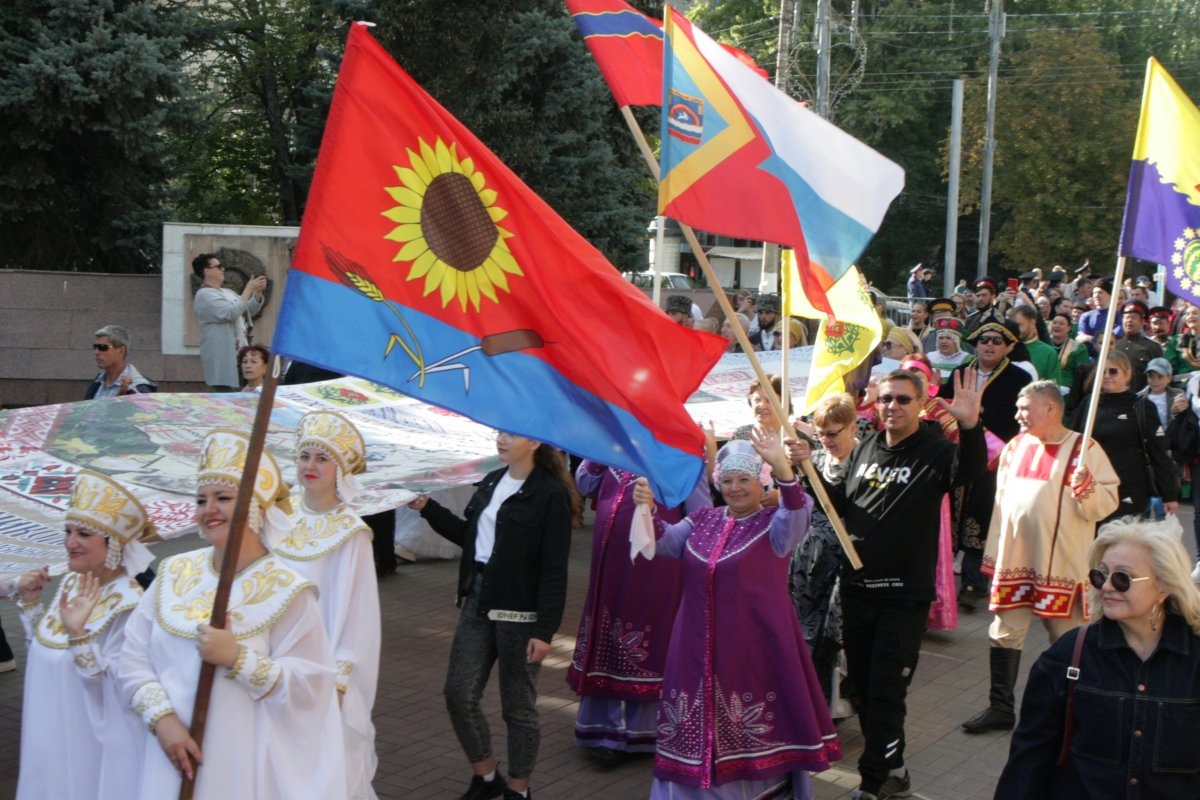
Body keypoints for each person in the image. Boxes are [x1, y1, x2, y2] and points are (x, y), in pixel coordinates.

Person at [118, 429, 346, 799]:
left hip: (242, 766)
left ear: (255, 507)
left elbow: (311, 688)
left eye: (223, 498)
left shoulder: (288, 589)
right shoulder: (173, 571)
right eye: (201, 499)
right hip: (170, 755)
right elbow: (132, 656)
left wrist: (238, 659)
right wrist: (163, 720)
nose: (209, 510)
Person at [796, 367, 987, 800]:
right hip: (858, 591)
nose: (892, 407)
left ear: (920, 404)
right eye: (885, 399)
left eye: (902, 399)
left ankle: (873, 782)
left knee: (886, 690)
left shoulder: (936, 451)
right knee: (862, 688)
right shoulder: (865, 447)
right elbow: (839, 501)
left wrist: (971, 425)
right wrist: (804, 466)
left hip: (903, 597)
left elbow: (971, 470)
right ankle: (893, 767)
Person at [633, 431, 840, 800]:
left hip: (753, 649)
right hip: (693, 648)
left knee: (747, 723)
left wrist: (783, 469)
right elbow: (663, 545)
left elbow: (797, 510)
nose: (735, 488)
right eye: (727, 480)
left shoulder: (776, 526)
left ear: (761, 483)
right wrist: (646, 509)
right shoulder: (702, 520)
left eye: (744, 479)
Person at [409, 432, 575, 800]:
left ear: (534, 442)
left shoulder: (550, 494)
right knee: (458, 693)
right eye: (500, 432)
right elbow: (470, 536)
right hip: (478, 599)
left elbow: (553, 570)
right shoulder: (491, 481)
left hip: (521, 611)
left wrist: (544, 630)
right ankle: (486, 777)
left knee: (517, 707)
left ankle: (519, 788)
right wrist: (427, 507)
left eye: (511, 434)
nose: (501, 440)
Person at [995, 517, 1200, 797]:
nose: (1106, 587)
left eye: (1122, 578)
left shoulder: (1194, 658)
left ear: (1164, 585)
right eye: (1100, 575)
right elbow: (1029, 757)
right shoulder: (1068, 655)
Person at [961, 382, 1120, 735]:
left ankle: (1071, 711)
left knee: (1068, 640)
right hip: (1015, 562)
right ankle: (1000, 707)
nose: (1018, 415)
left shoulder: (1084, 448)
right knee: (1004, 633)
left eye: (1024, 407)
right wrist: (995, 555)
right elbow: (1001, 506)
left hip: (1062, 566)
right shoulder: (1014, 447)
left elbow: (1105, 504)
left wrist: (1088, 487)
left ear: (1050, 409)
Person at [15, 471, 156, 800]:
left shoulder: (131, 603)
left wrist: (79, 635)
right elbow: (44, 652)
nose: (70, 542)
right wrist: (32, 603)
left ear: (113, 543)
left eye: (84, 534)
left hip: (91, 746)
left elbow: (121, 688)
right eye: (68, 531)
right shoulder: (71, 583)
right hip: (49, 736)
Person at [567, 461, 710, 763]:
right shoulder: (611, 445)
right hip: (608, 566)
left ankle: (640, 731)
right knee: (607, 636)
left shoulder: (678, 451)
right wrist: (597, 452)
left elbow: (702, 514)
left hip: (655, 567)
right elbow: (585, 485)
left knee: (646, 639)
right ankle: (604, 729)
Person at [275, 411, 380, 799]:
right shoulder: (277, 518)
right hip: (272, 658)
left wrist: (338, 682)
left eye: (322, 458)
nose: (310, 466)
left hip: (319, 667)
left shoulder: (351, 533)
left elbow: (357, 613)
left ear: (340, 469)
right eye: (305, 456)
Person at [941, 321, 1034, 611]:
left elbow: (1026, 419)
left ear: (1008, 347)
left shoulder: (1018, 378)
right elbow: (939, 403)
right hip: (958, 454)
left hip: (997, 458)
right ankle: (945, 585)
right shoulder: (960, 372)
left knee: (981, 519)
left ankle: (973, 583)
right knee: (952, 517)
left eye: (996, 341)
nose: (989, 345)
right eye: (984, 340)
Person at [790, 395, 860, 713]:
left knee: (834, 634)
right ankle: (812, 703)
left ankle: (838, 701)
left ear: (852, 426)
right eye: (820, 434)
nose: (826, 441)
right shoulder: (815, 459)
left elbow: (844, 504)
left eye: (832, 433)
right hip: (811, 557)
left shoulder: (866, 459)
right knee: (806, 631)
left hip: (848, 558)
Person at [1068, 351, 1180, 523]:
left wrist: (1169, 495)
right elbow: (1073, 442)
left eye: (1113, 371)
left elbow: (1160, 452)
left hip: (1128, 489)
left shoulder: (1141, 406)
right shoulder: (1088, 404)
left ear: (1127, 374)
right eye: (1102, 371)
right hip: (1092, 488)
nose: (1107, 376)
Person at [191, 253, 267, 391]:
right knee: (227, 398)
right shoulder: (204, 295)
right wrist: (248, 289)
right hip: (222, 356)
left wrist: (257, 293)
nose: (223, 269)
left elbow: (246, 310)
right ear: (207, 271)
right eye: (219, 266)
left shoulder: (227, 292)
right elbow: (231, 313)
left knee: (243, 396)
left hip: (240, 354)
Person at [85, 324, 157, 399]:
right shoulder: (97, 383)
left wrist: (121, 396)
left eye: (102, 347)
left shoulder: (138, 388)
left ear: (120, 351)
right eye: (95, 347)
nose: (96, 352)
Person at [1113, 300, 1163, 392]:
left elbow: (1160, 376)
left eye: (1134, 318)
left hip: (1140, 399)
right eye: (1127, 317)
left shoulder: (1152, 347)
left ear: (1142, 321)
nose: (1129, 321)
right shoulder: (1114, 345)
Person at [1048, 312, 1089, 390]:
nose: (1057, 326)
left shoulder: (1078, 348)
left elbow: (1082, 374)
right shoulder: (1043, 344)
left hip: (1066, 388)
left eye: (1061, 323)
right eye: (1054, 323)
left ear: (1069, 328)